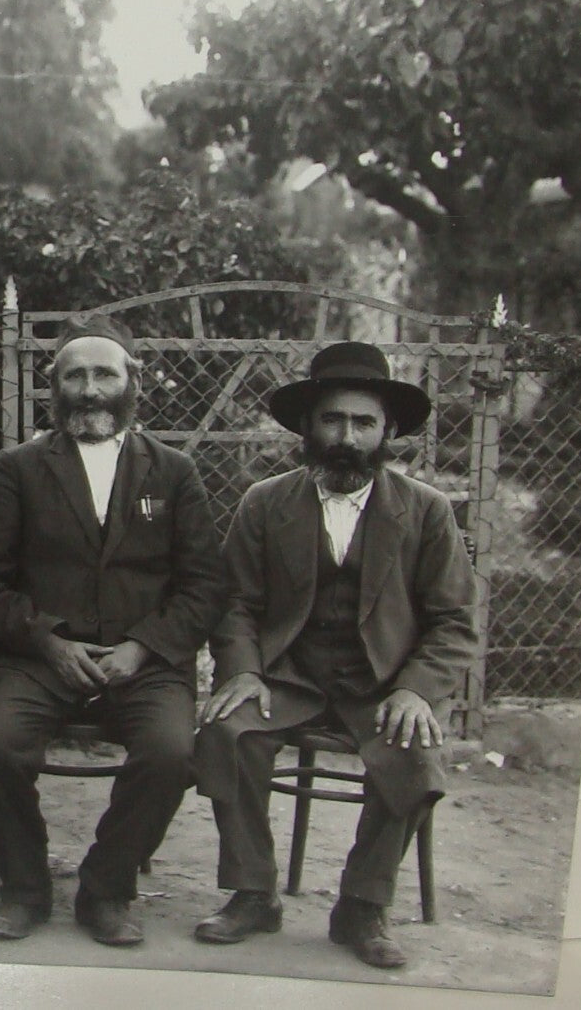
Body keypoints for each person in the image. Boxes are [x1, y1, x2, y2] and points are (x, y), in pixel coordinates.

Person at [192, 341, 480, 970]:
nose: (346, 436)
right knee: (226, 730)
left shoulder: (426, 510)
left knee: (413, 749)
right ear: (308, 426)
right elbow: (235, 601)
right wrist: (243, 670)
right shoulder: (265, 502)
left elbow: (455, 620)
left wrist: (414, 690)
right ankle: (253, 892)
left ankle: (361, 905)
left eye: (363, 423)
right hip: (287, 675)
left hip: (382, 684)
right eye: (332, 419)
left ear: (388, 432)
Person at [0, 315, 224, 945]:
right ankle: (25, 888)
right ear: (54, 387)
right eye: (74, 375)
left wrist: (142, 647)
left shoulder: (174, 471)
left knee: (171, 753)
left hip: (145, 662)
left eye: (104, 373)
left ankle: (107, 889)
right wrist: (49, 641)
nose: (89, 388)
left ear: (134, 381)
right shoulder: (17, 468)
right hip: (38, 657)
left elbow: (205, 586)